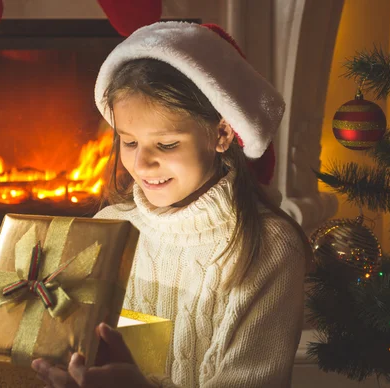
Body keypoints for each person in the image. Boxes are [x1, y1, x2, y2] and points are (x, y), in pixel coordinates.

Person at [32, 21, 312, 388]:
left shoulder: (268, 247)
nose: (143, 164)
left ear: (222, 133)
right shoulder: (109, 227)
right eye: (129, 143)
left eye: (165, 145)